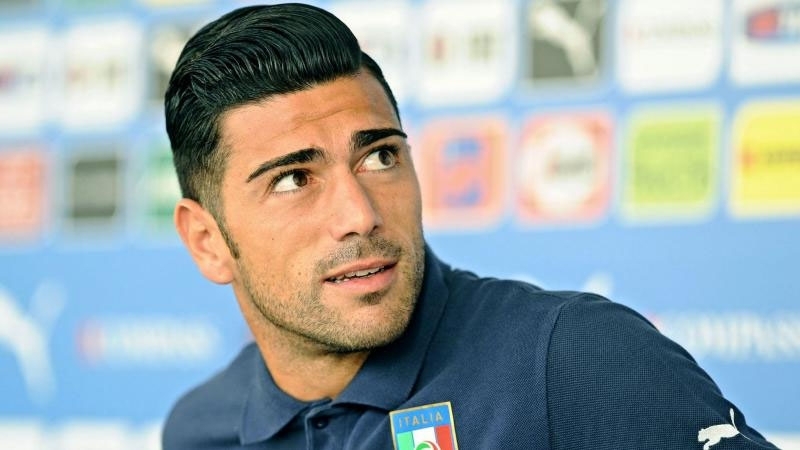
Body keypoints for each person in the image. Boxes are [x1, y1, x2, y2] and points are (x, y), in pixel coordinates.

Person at [161, 3, 779, 450]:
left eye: (380, 156)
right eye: (294, 179)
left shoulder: (570, 358)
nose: (361, 214)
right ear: (207, 243)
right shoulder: (199, 429)